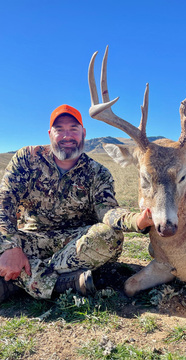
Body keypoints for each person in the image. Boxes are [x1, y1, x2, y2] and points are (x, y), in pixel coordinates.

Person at [0, 104, 153, 303]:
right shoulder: (27, 159)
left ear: (83, 133)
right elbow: (5, 203)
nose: (67, 136)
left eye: (73, 129)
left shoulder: (97, 172)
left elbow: (107, 211)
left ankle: (18, 279)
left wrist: (137, 221)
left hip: (75, 244)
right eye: (59, 130)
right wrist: (11, 247)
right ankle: (63, 283)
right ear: (50, 134)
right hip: (30, 240)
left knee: (110, 236)